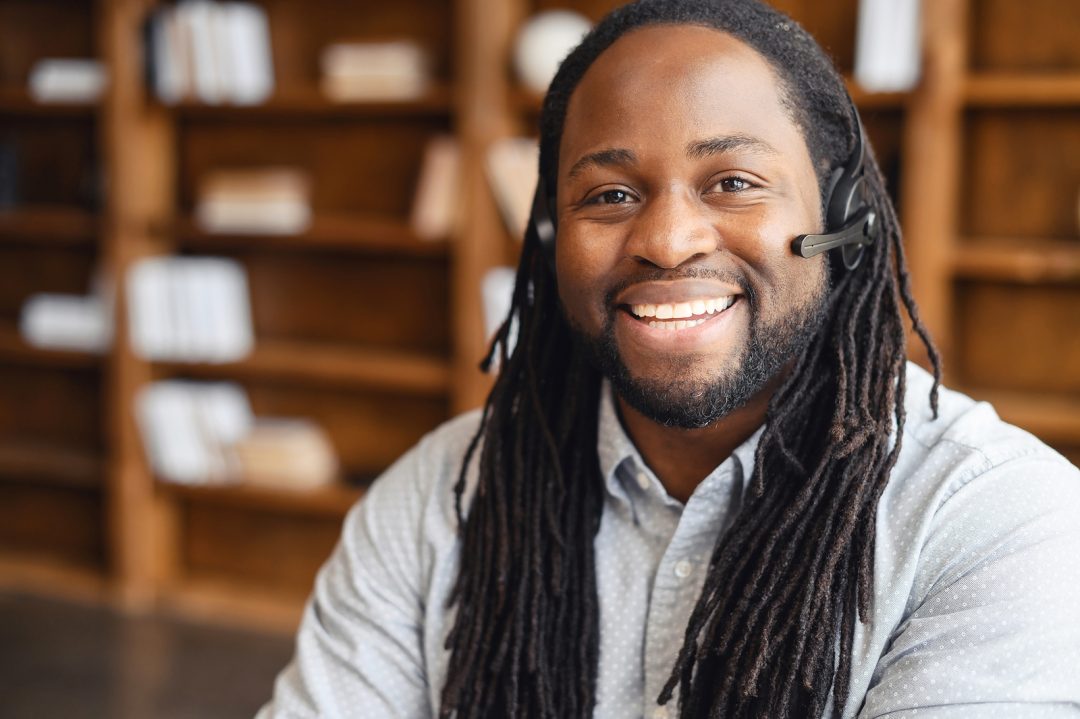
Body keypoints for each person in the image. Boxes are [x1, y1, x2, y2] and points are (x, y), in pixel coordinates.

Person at [258, 0, 1080, 717]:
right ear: (550, 238)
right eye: (610, 195)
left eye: (733, 181)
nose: (665, 241)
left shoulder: (1001, 522)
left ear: (842, 218)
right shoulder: (436, 499)